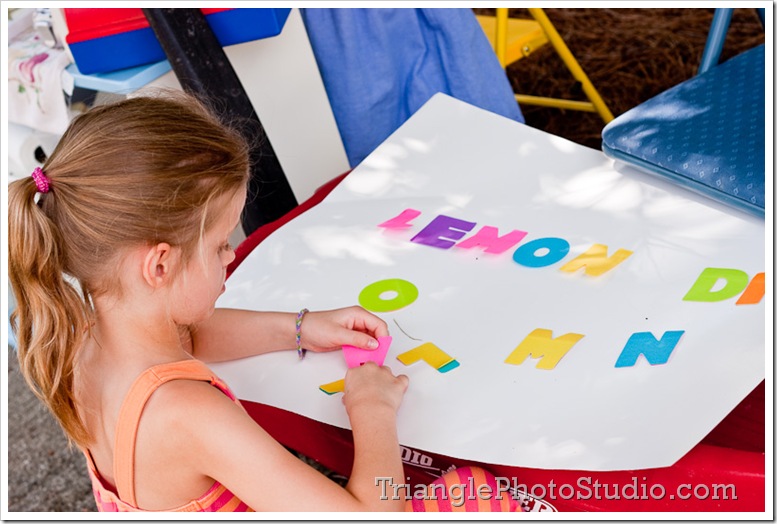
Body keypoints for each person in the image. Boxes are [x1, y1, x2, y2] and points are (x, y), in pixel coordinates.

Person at [8, 93, 520, 512]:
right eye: (219, 246)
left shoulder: (79, 339)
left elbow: (189, 335)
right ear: (159, 265)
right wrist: (371, 408)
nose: (231, 256)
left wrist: (301, 327)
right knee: (476, 493)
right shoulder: (189, 413)